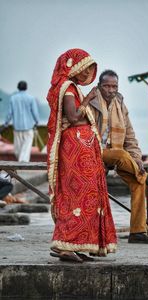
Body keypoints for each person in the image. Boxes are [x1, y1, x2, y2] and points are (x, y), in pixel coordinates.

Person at [47, 49, 117, 262]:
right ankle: (66, 245)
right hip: (75, 150)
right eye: (84, 67)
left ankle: (74, 245)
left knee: (88, 195)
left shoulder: (70, 88)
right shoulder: (68, 88)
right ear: (73, 66)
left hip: (81, 148)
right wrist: (87, 100)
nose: (87, 72)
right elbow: (74, 116)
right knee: (80, 195)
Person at [90, 70, 148, 244]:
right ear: (99, 86)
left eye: (114, 86)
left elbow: (130, 135)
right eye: (107, 86)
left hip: (118, 156)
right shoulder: (91, 101)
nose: (111, 90)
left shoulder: (119, 103)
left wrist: (137, 158)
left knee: (137, 181)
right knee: (121, 154)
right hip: (93, 153)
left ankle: (138, 232)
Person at [3, 81, 39, 162]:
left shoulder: (13, 98)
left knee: (18, 150)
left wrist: (5, 124)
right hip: (28, 128)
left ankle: (20, 164)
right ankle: (22, 165)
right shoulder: (31, 98)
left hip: (17, 128)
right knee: (26, 148)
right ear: (26, 88)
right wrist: (36, 122)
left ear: (18, 87)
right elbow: (35, 112)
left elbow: (9, 114)